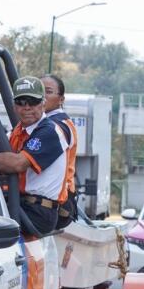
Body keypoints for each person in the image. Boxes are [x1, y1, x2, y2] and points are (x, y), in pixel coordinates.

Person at [0, 76, 70, 235]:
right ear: (14, 106)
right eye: (21, 102)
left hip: (38, 212)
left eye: (33, 101)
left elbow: (17, 164)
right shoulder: (17, 132)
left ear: (43, 103)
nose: (27, 107)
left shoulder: (50, 131)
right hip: (20, 204)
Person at [42, 74, 79, 229]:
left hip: (56, 204)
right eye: (39, 91)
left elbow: (20, 162)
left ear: (61, 100)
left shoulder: (57, 127)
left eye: (48, 92)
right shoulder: (43, 122)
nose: (42, 96)